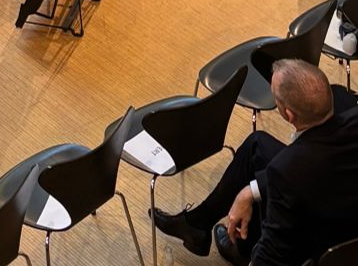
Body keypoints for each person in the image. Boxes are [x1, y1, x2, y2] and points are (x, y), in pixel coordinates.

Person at [153, 59, 358, 266]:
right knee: (257, 146)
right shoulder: (347, 105)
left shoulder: (285, 173)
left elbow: (274, 251)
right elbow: (323, 162)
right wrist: (251, 190)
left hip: (327, 245)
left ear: (288, 115)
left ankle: (243, 250)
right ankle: (198, 225)